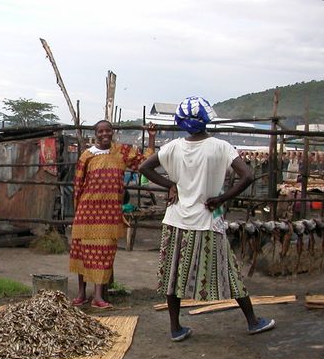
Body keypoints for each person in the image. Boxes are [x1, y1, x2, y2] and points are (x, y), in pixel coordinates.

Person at [138, 96, 275, 342]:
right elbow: (247, 176)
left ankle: (175, 328)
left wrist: (170, 185)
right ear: (206, 120)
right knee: (230, 272)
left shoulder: (172, 147)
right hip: (208, 220)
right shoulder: (221, 147)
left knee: (173, 275)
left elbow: (144, 168)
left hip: (175, 220)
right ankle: (253, 322)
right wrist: (222, 199)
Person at [69, 120, 155, 309]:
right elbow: (78, 185)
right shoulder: (87, 155)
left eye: (108, 130)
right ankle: (81, 294)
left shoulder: (122, 152)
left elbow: (145, 162)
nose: (104, 134)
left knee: (103, 253)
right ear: (95, 134)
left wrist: (151, 138)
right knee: (82, 252)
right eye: (100, 131)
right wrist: (77, 210)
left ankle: (98, 297)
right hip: (87, 212)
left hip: (108, 214)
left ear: (113, 132)